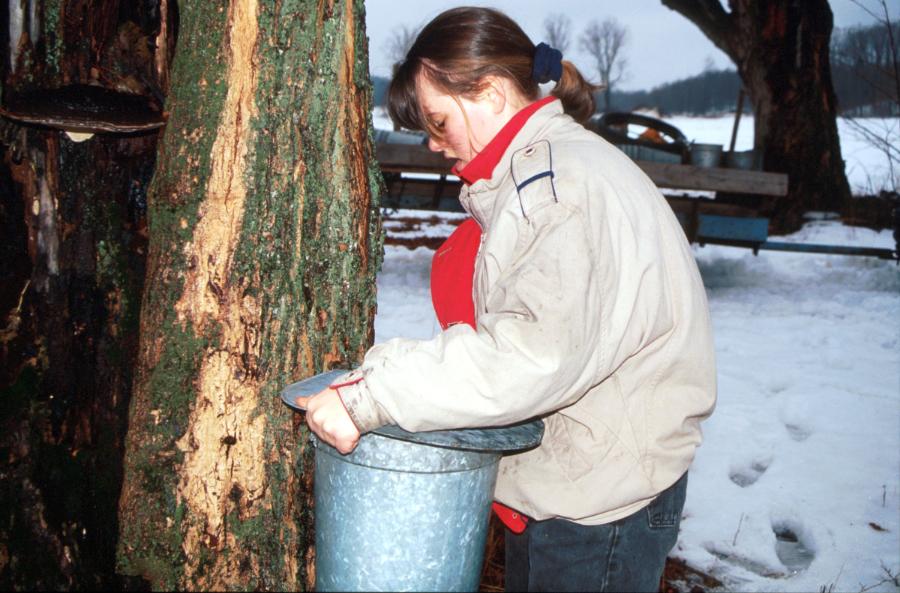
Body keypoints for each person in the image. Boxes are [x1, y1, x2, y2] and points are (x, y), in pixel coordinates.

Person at [296, 7, 716, 592]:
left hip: (601, 505)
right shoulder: (544, 169)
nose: (436, 145)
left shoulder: (557, 189)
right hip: (575, 480)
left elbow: (530, 354)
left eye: (439, 122)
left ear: (491, 92)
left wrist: (377, 394)